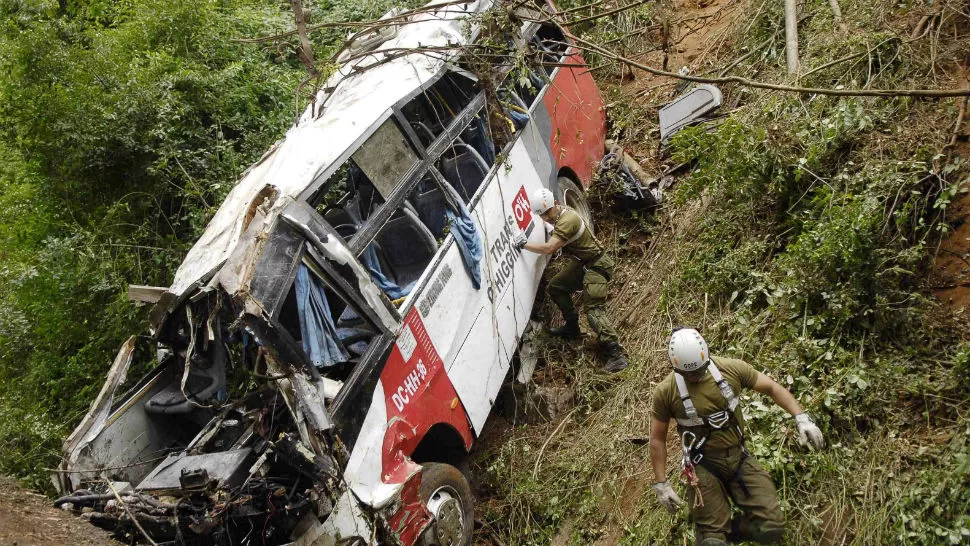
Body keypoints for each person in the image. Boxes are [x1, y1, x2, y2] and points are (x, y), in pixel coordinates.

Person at [649, 328, 825, 546]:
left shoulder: (730, 369)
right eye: (688, 374)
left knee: (771, 526)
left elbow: (771, 387)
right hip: (703, 466)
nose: (694, 377)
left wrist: (801, 417)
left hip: (739, 457)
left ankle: (725, 533)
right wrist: (661, 483)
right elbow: (657, 438)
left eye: (699, 371)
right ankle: (713, 534)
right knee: (713, 542)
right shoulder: (666, 391)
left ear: (707, 357)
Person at [513, 187, 629, 373]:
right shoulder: (561, 215)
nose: (546, 218)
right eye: (542, 215)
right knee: (556, 287)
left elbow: (549, 248)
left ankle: (616, 355)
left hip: (597, 265)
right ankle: (572, 327)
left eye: (548, 212)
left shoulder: (567, 220)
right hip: (585, 263)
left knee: (593, 310)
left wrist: (524, 244)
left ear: (556, 205)